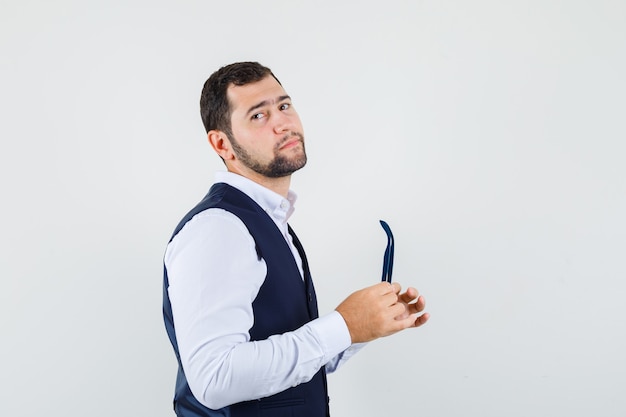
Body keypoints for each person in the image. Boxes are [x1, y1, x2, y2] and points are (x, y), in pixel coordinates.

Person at [162, 61, 430, 417]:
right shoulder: (219, 227)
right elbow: (215, 378)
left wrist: (363, 327)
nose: (282, 123)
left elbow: (287, 369)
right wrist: (343, 325)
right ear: (222, 144)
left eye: (284, 106)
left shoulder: (272, 222)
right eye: (258, 116)